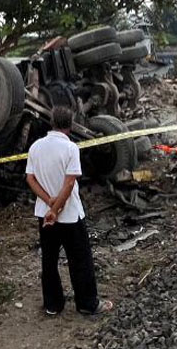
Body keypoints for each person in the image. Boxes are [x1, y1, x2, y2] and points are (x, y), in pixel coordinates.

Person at [25, 106, 112, 316]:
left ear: (52, 122)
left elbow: (30, 179)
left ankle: (52, 305)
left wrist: (48, 203)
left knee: (49, 259)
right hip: (70, 215)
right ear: (71, 125)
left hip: (44, 214)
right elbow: (70, 182)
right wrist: (56, 209)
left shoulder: (36, 147)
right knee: (80, 259)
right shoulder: (71, 148)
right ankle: (87, 303)